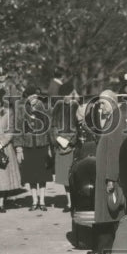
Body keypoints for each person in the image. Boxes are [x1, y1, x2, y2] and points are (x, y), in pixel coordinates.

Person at [88, 89, 127, 254]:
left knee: (112, 209)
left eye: (103, 104)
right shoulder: (114, 118)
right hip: (106, 173)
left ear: (111, 102)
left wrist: (111, 178)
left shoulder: (116, 120)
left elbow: (114, 152)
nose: (100, 108)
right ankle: (106, 246)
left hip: (109, 175)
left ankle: (110, 247)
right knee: (108, 211)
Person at [18, 86, 52, 211]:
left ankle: (42, 201)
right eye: (31, 97)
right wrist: (18, 148)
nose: (34, 99)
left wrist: (49, 146)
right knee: (31, 176)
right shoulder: (21, 110)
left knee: (42, 175)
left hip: (42, 145)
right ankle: (34, 201)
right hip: (28, 146)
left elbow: (49, 128)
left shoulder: (44, 108)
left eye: (35, 97)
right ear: (26, 97)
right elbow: (17, 130)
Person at [50, 84, 79, 212]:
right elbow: (53, 126)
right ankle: (69, 203)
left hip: (72, 146)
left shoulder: (76, 107)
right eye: (65, 95)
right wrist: (58, 139)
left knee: (73, 176)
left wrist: (70, 140)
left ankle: (75, 202)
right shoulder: (57, 107)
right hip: (60, 146)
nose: (67, 97)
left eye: (69, 94)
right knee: (63, 177)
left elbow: (79, 127)